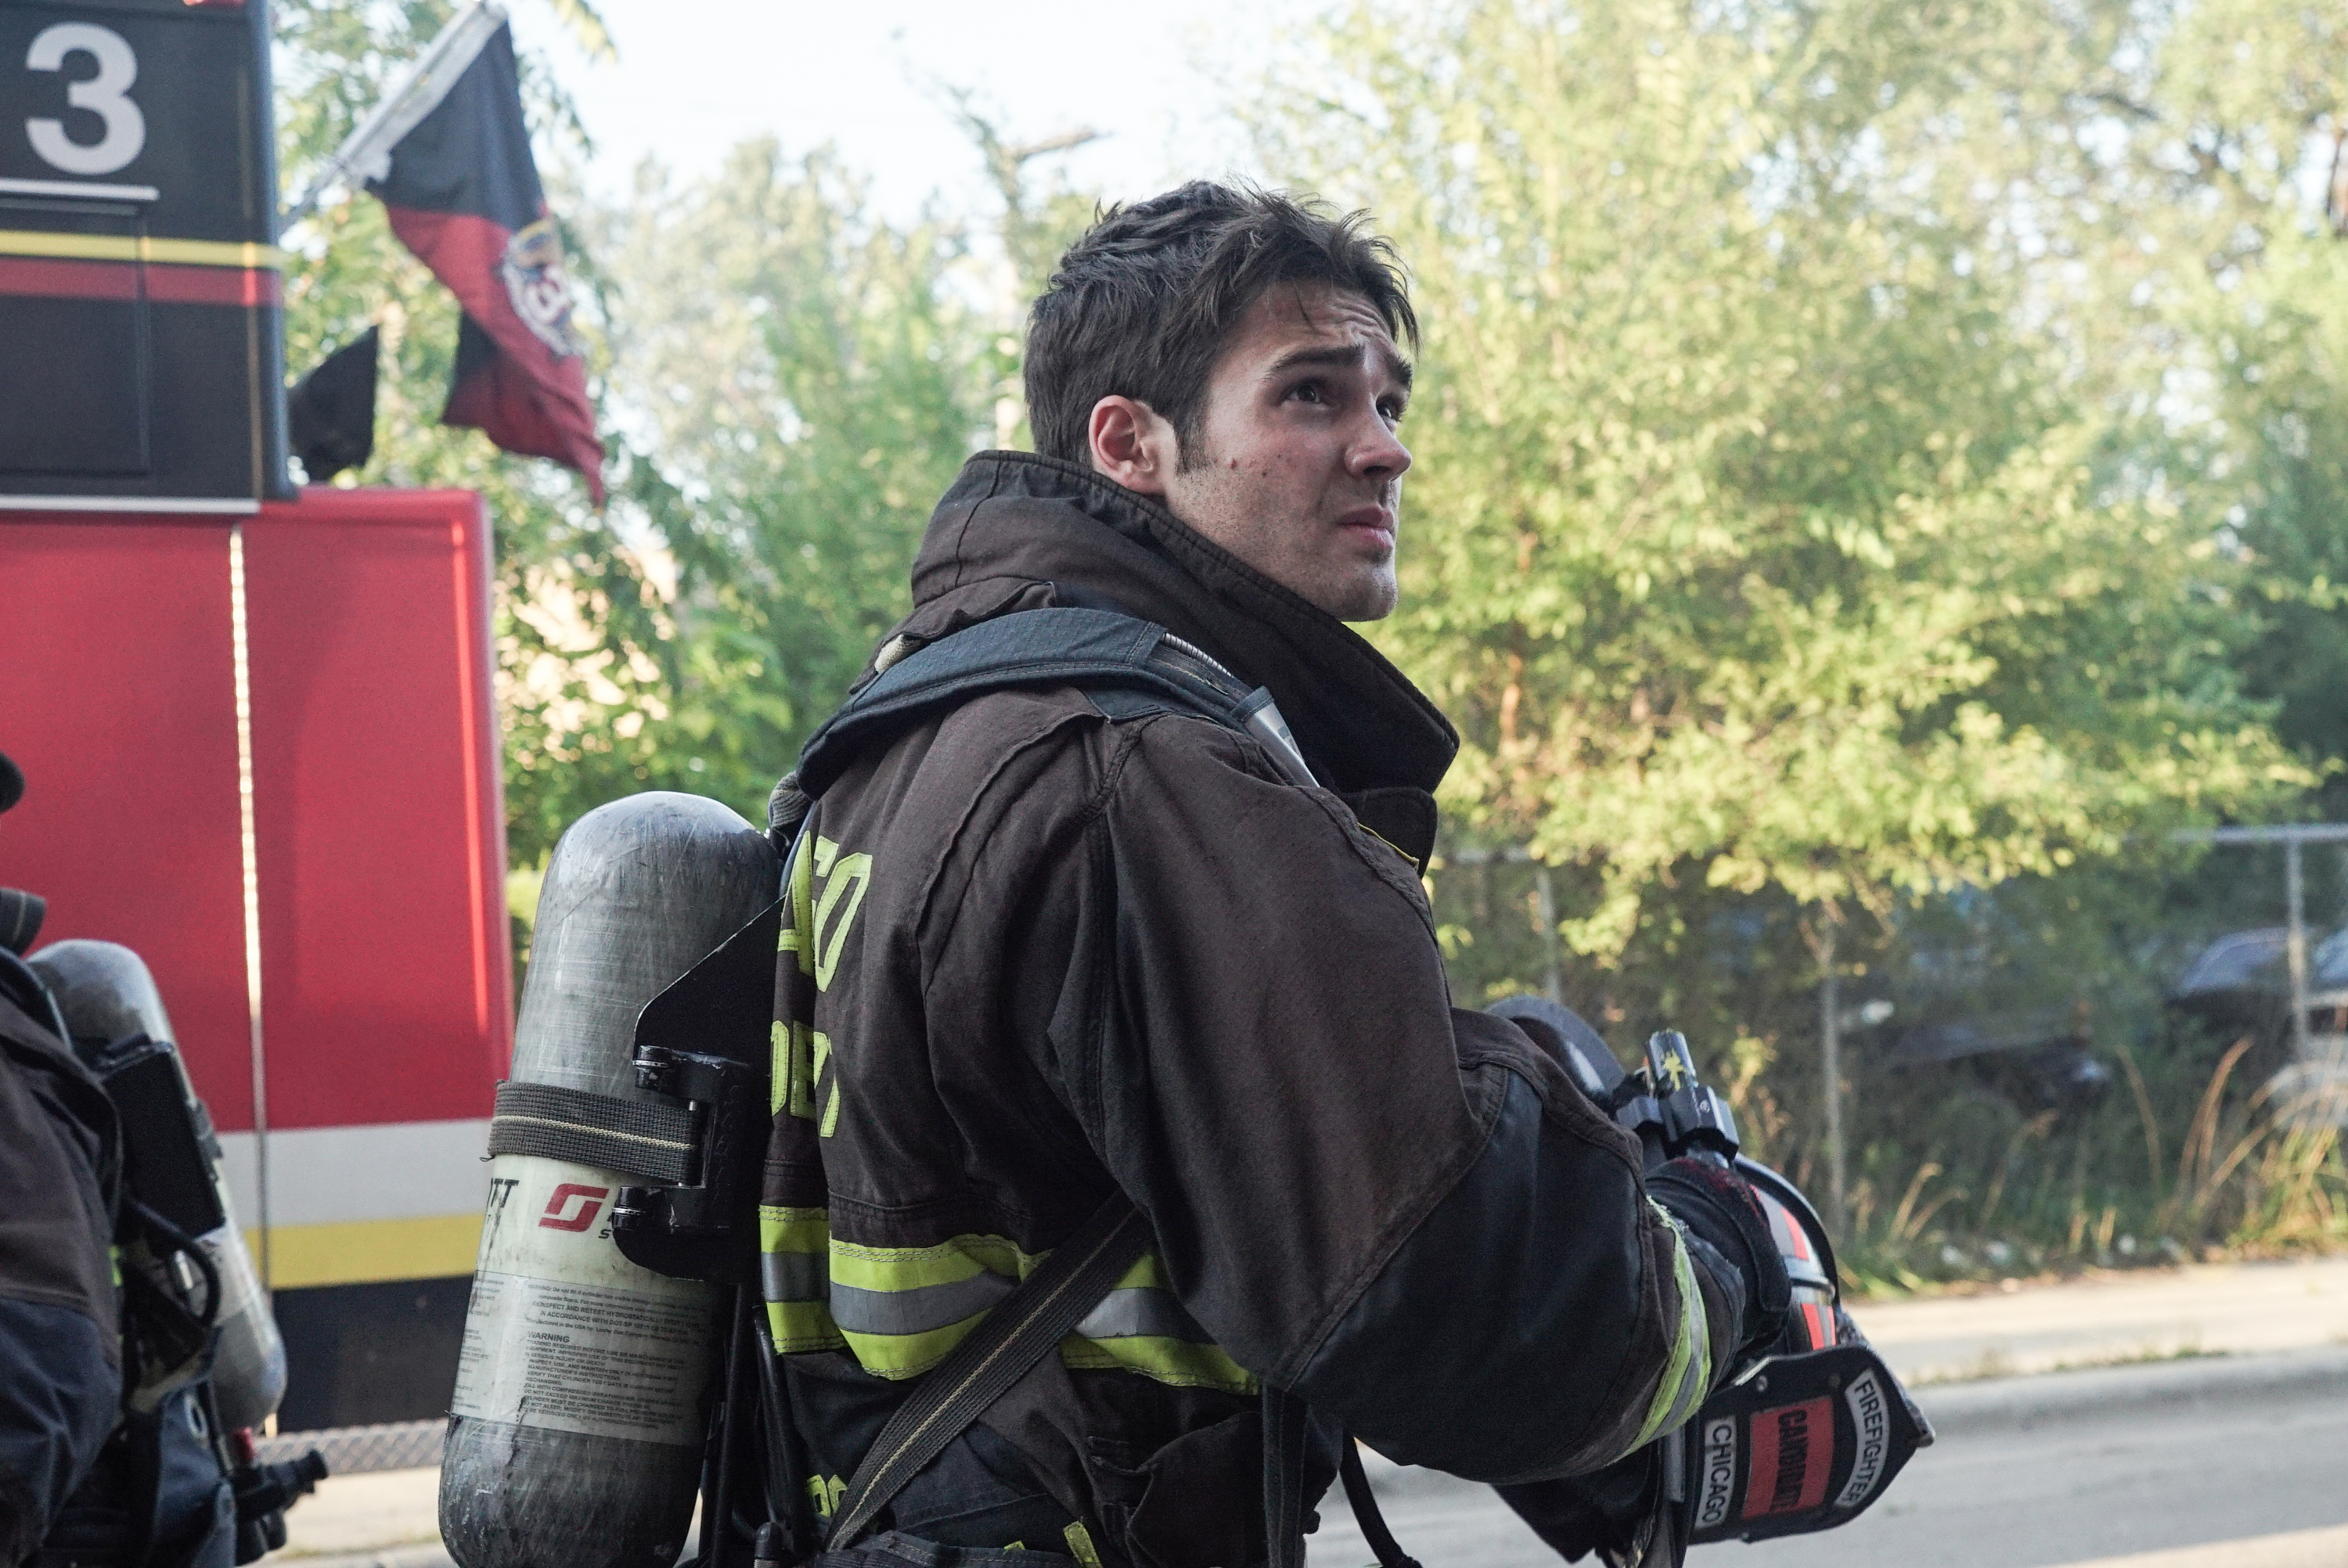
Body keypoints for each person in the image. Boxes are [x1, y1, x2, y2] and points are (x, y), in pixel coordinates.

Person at [760, 182, 1790, 1567]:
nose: (1384, 451)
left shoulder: (900, 740)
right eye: (1311, 395)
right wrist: (1729, 1256)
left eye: (1392, 403)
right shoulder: (1148, 774)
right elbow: (1450, 1301)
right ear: (1131, 443)